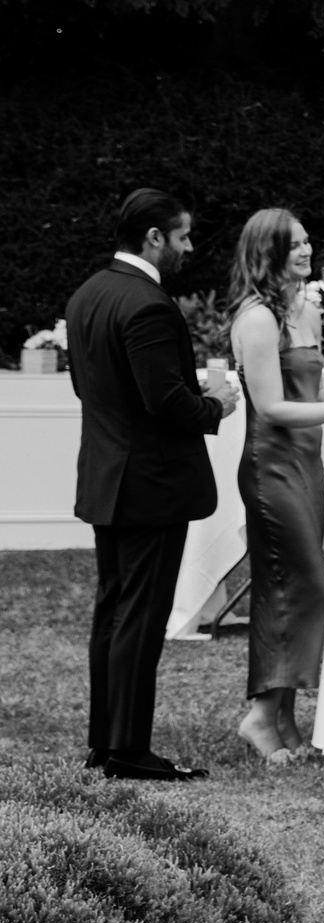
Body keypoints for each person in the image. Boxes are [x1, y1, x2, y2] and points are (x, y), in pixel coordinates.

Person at [65, 188, 238, 781]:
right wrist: (216, 405)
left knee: (113, 612)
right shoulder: (148, 304)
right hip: (151, 484)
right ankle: (128, 750)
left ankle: (105, 743)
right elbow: (165, 401)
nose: (190, 247)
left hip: (108, 476)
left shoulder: (89, 294)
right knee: (138, 617)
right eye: (184, 236)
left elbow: (88, 389)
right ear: (154, 237)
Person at [225, 210, 324, 763]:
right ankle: (260, 717)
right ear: (266, 252)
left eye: (308, 242)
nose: (305, 251)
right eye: (292, 245)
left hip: (307, 467)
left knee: (293, 586)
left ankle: (288, 719)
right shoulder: (257, 320)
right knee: (302, 587)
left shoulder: (304, 309)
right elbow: (270, 406)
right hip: (271, 469)